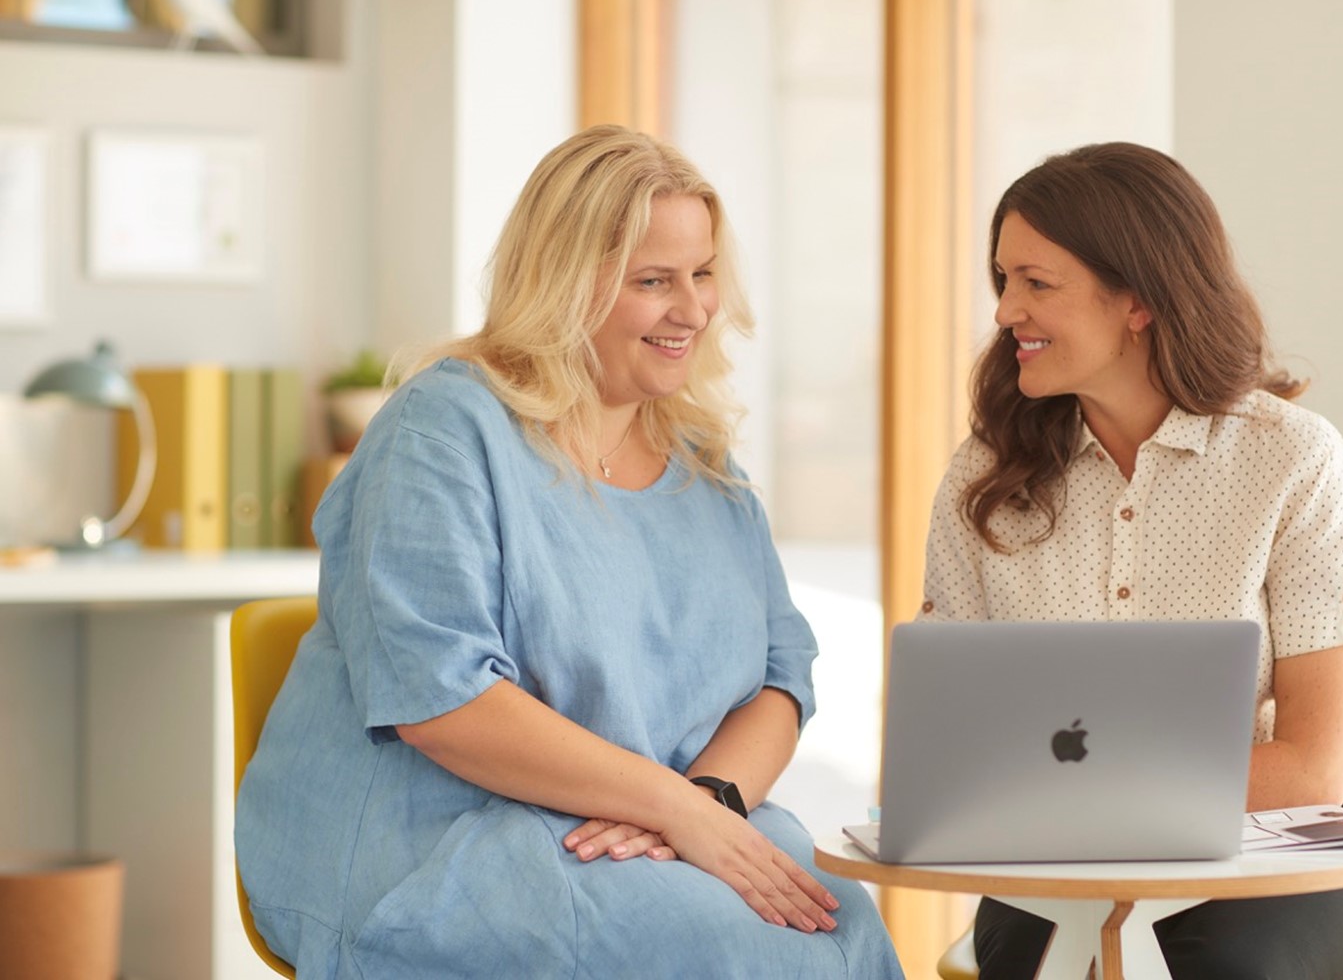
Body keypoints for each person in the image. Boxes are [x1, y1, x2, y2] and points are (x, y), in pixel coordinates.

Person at [235, 125, 903, 979]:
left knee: (842, 929)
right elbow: (441, 701)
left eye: (701, 275)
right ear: (561, 284)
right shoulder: (441, 431)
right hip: (438, 842)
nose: (693, 310)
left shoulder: (706, 467)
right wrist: (670, 806)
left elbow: (782, 673)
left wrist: (705, 804)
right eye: (653, 281)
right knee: (736, 951)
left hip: (646, 828)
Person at [919, 142, 1343, 980]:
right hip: (1056, 866)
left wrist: (1070, 800)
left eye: (1037, 283)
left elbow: (1312, 768)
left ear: (1136, 300)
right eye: (1003, 281)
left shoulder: (1293, 461)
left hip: (1270, 858)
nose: (1005, 312)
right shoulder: (984, 473)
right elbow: (952, 741)